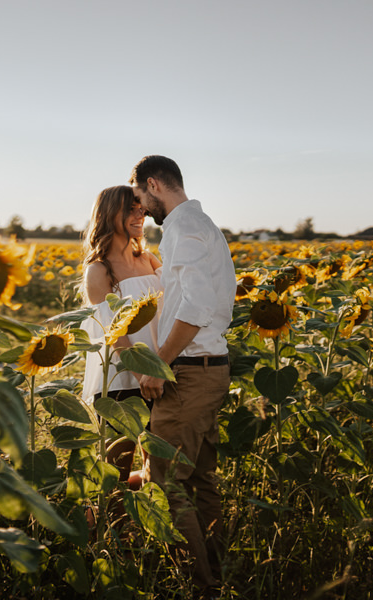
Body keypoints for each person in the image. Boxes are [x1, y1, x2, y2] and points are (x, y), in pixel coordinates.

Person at [129, 155, 236, 595]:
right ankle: (220, 575)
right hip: (209, 369)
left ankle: (196, 587)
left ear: (153, 184)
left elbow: (196, 305)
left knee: (166, 483)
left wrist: (160, 363)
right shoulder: (202, 224)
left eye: (139, 196)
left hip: (190, 372)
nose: (140, 208)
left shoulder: (181, 229)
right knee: (200, 480)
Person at [79, 185, 162, 484]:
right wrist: (142, 375)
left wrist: (158, 371)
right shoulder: (99, 270)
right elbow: (114, 333)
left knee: (157, 466)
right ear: (109, 213)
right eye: (131, 209)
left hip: (159, 371)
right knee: (117, 470)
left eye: (142, 209)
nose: (141, 214)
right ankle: (104, 527)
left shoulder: (149, 260)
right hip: (121, 380)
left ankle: (137, 529)